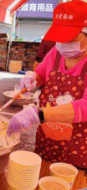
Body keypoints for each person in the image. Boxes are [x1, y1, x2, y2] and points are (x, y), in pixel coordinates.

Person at [7, 1, 87, 169]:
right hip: (47, 142)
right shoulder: (56, 53)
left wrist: (39, 114)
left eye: (70, 36)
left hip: (79, 149)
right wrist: (33, 78)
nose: (62, 42)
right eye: (59, 36)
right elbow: (42, 74)